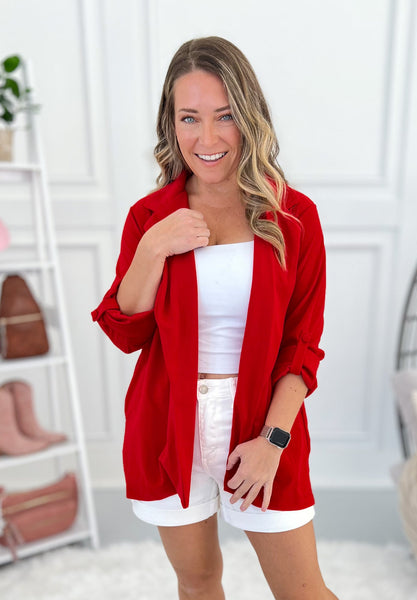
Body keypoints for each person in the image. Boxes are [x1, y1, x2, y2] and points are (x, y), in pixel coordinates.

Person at [92, 36, 338, 600]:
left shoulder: (294, 217)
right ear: (171, 123)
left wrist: (273, 441)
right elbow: (125, 330)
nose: (206, 138)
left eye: (224, 116)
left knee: (304, 593)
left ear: (249, 117)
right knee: (198, 584)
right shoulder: (150, 217)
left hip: (260, 425)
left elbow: (302, 344)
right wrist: (154, 247)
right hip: (168, 425)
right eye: (190, 118)